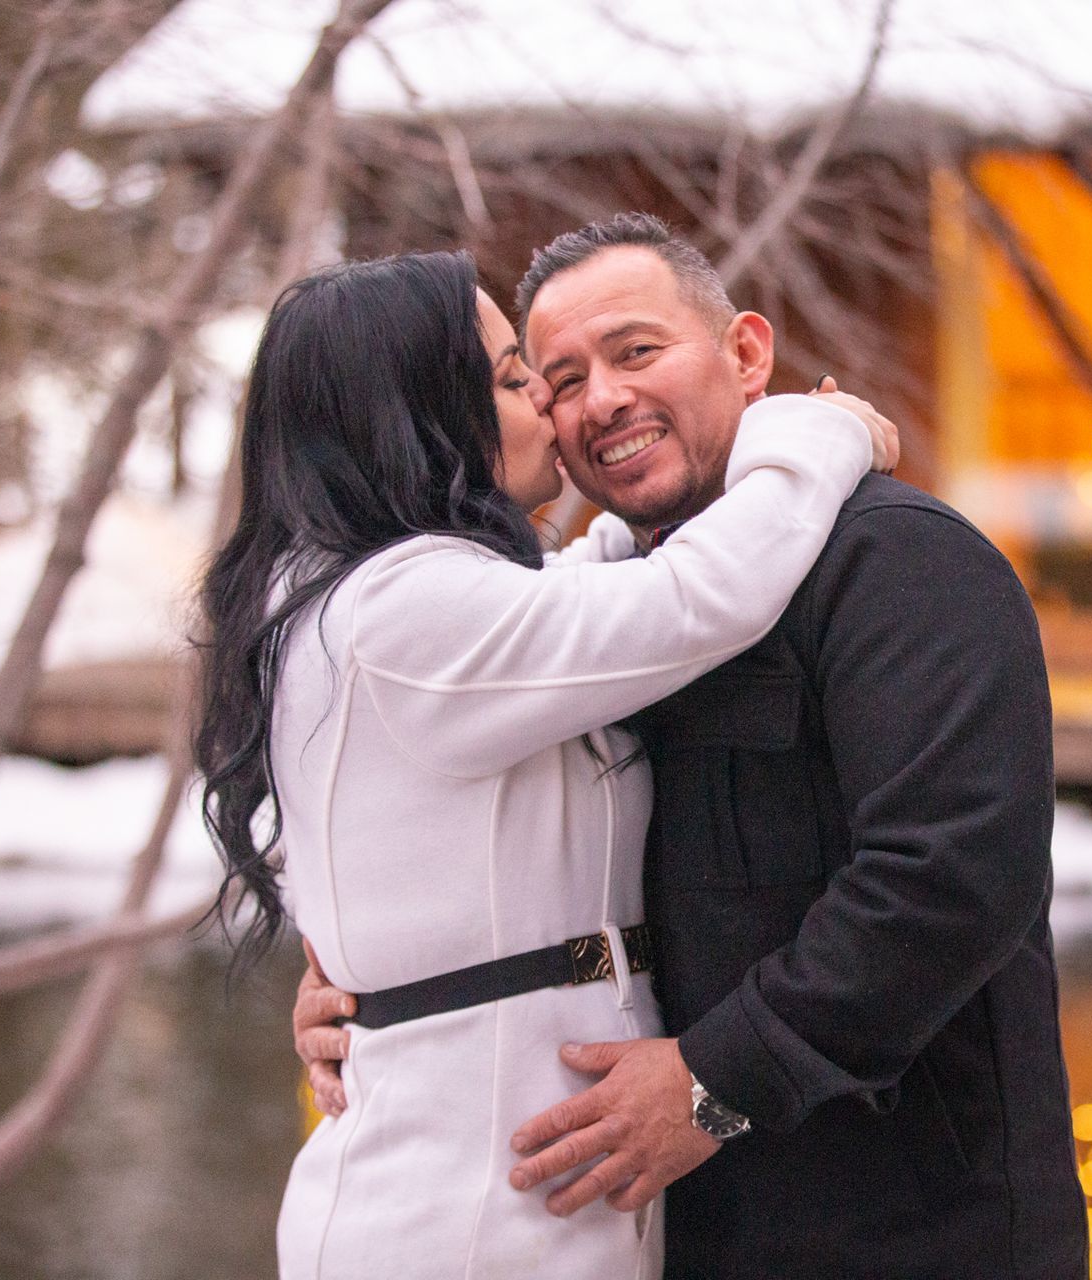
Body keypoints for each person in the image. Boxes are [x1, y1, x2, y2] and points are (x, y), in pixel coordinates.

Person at [299, 215, 1090, 1277]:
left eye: (637, 352)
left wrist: (712, 1081)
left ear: (748, 353)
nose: (603, 400)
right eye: (560, 378)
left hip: (915, 1226)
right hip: (688, 1231)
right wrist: (364, 987)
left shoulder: (900, 563)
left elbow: (950, 879)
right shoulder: (603, 618)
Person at [194, 247, 897, 1278]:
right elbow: (692, 600)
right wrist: (814, 433)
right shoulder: (399, 611)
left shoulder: (406, 599)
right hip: (464, 1214)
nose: (553, 406)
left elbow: (585, 601)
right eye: (519, 377)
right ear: (420, 408)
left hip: (525, 1190)